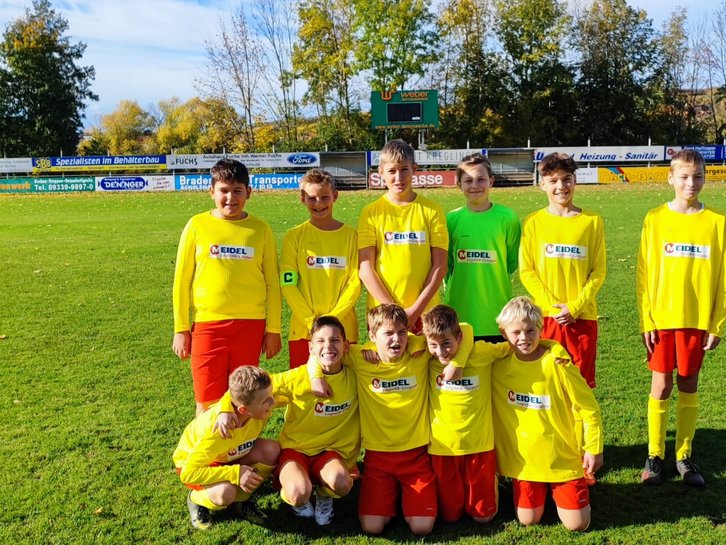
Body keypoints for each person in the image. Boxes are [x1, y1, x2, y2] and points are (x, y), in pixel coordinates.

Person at [308, 304, 469, 535]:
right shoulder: (360, 357)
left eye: (402, 332)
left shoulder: (420, 351)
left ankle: (407, 495)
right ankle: (392, 494)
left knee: (421, 528)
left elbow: (466, 329)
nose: (397, 339)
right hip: (377, 458)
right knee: (372, 527)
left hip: (416, 456)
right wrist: (315, 377)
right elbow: (320, 351)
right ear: (372, 336)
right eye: (388, 333)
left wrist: (457, 363)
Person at [637, 149, 725, 488]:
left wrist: (716, 324)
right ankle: (655, 455)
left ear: (705, 177)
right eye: (684, 176)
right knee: (660, 386)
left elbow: (723, 279)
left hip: (697, 320)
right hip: (662, 318)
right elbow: (643, 275)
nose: (691, 182)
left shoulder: (717, 222)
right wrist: (647, 319)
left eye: (698, 176)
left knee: (689, 383)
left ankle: (684, 456)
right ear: (671, 178)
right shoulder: (655, 218)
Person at [172, 158, 282, 414]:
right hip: (208, 326)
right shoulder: (197, 225)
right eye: (224, 190)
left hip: (250, 325)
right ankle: (210, 455)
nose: (230, 197)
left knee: (245, 400)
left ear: (249, 193)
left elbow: (272, 284)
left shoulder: (260, 230)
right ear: (212, 191)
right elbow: (182, 280)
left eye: (237, 191)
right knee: (207, 401)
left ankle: (239, 453)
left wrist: (273, 329)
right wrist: (181, 328)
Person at [491, 296, 603, 532]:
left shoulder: (558, 363)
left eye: (531, 331)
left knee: (578, 525)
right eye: (516, 332)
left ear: (541, 329)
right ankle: (540, 491)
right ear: (503, 333)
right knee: (527, 519)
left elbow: (589, 407)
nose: (524, 338)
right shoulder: (497, 366)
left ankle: (571, 485)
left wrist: (594, 447)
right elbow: (466, 340)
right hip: (525, 463)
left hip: (561, 458)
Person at [520, 151, 606, 388]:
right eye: (553, 181)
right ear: (542, 184)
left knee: (580, 385)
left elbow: (598, 271)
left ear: (575, 181)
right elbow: (527, 270)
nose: (561, 186)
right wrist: (552, 305)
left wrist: (575, 306)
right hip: (546, 317)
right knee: (548, 383)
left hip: (582, 317)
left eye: (567, 179)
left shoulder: (592, 221)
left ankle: (580, 427)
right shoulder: (533, 222)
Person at [422, 305, 509, 523]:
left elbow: (516, 347)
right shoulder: (425, 356)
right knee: (450, 517)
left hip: (479, 445)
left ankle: (493, 479)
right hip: (443, 448)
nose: (441, 352)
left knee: (484, 518)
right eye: (434, 345)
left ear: (459, 337)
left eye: (447, 344)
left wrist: (552, 347)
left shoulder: (481, 352)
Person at [272, 315, 360, 526]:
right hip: (296, 449)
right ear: (311, 347)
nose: (328, 346)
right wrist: (224, 410)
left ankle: (324, 495)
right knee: (298, 492)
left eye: (334, 340)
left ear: (346, 346)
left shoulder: (357, 376)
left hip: (330, 452)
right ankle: (299, 501)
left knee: (342, 483)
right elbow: (256, 384)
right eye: (320, 341)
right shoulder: (298, 378)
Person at [172, 366, 279, 530]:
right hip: (198, 464)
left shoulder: (259, 396)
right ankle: (196, 499)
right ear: (243, 409)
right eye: (267, 401)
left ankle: (240, 502)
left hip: (229, 453)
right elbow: (188, 473)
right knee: (225, 493)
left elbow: (295, 379)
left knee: (271, 450)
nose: (274, 402)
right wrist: (235, 473)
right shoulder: (217, 431)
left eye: (271, 395)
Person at [358, 139, 448, 332]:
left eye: (404, 169)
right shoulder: (371, 212)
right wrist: (394, 312)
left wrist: (415, 311)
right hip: (383, 313)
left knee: (426, 362)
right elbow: (365, 268)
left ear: (414, 169)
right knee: (387, 362)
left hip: (425, 312)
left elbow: (439, 266)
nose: (399, 177)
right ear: (381, 172)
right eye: (391, 171)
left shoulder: (432, 210)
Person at [280, 169, 360, 368]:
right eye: (311, 198)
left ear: (335, 196)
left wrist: (333, 319)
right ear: (302, 199)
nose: (318, 203)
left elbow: (355, 282)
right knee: (306, 391)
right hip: (303, 332)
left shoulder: (351, 236)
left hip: (343, 330)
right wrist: (311, 322)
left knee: (344, 391)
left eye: (324, 197)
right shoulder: (294, 236)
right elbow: (287, 282)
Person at [444, 153, 521, 341]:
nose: (475, 185)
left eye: (481, 179)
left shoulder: (508, 218)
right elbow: (447, 266)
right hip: (459, 315)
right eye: (468, 180)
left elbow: (510, 262)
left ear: (491, 181)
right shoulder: (450, 220)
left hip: (496, 314)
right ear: (458, 184)